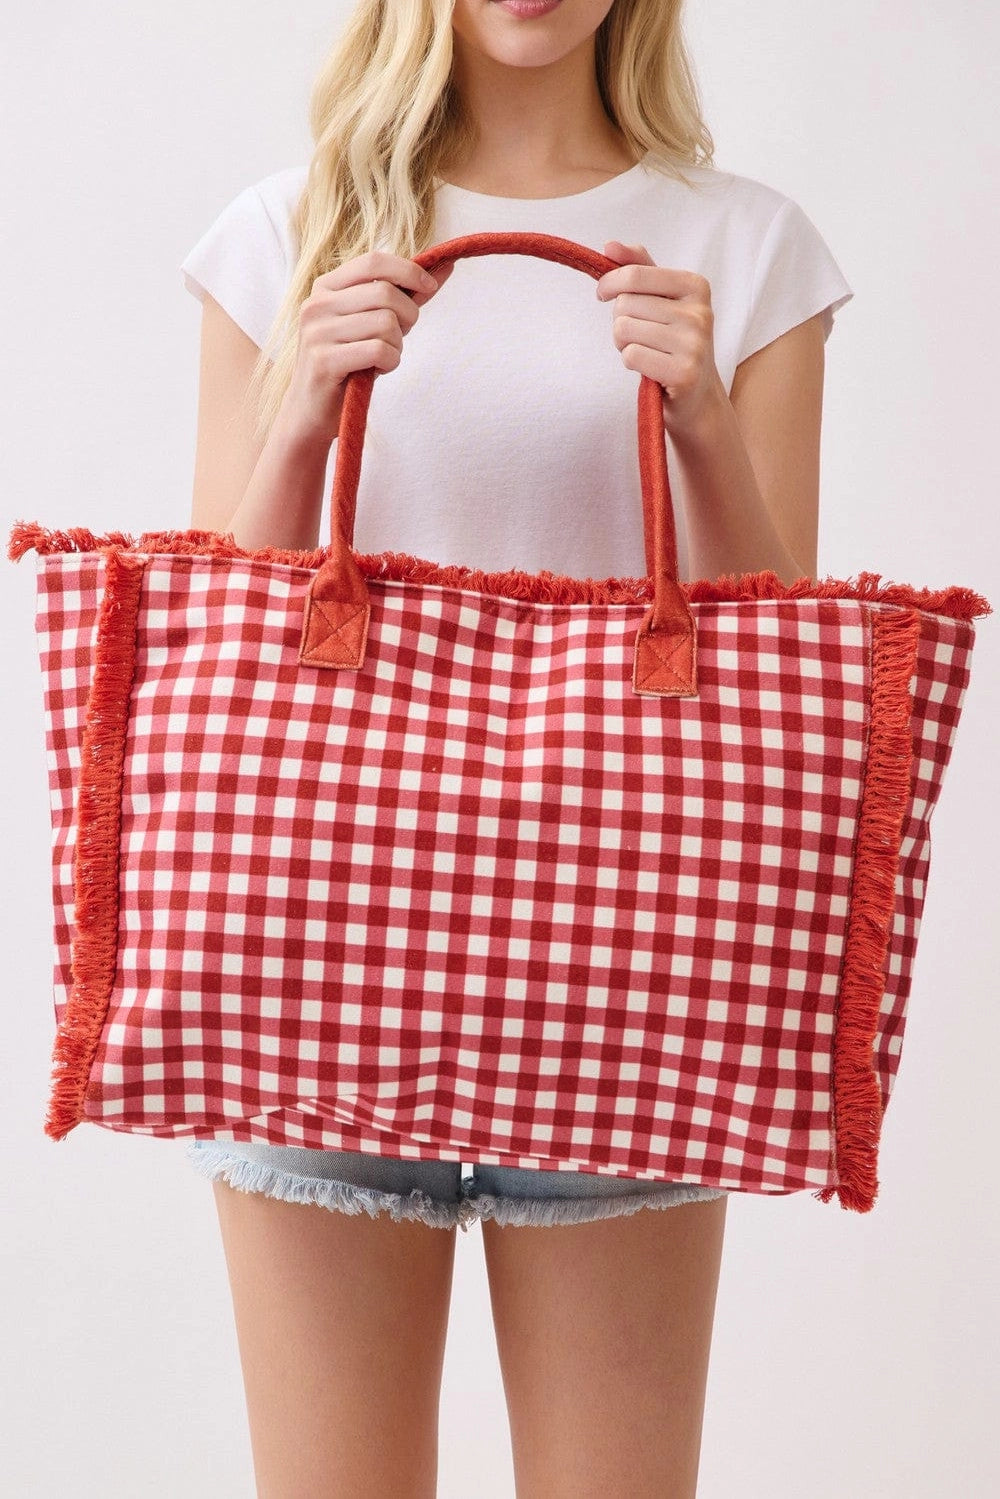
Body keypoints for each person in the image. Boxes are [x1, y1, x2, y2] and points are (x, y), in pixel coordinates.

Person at [179, 2, 853, 1495]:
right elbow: (218, 638)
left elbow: (778, 658)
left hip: (626, 973)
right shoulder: (286, 232)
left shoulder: (746, 246)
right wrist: (306, 410)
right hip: (322, 962)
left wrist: (701, 421)